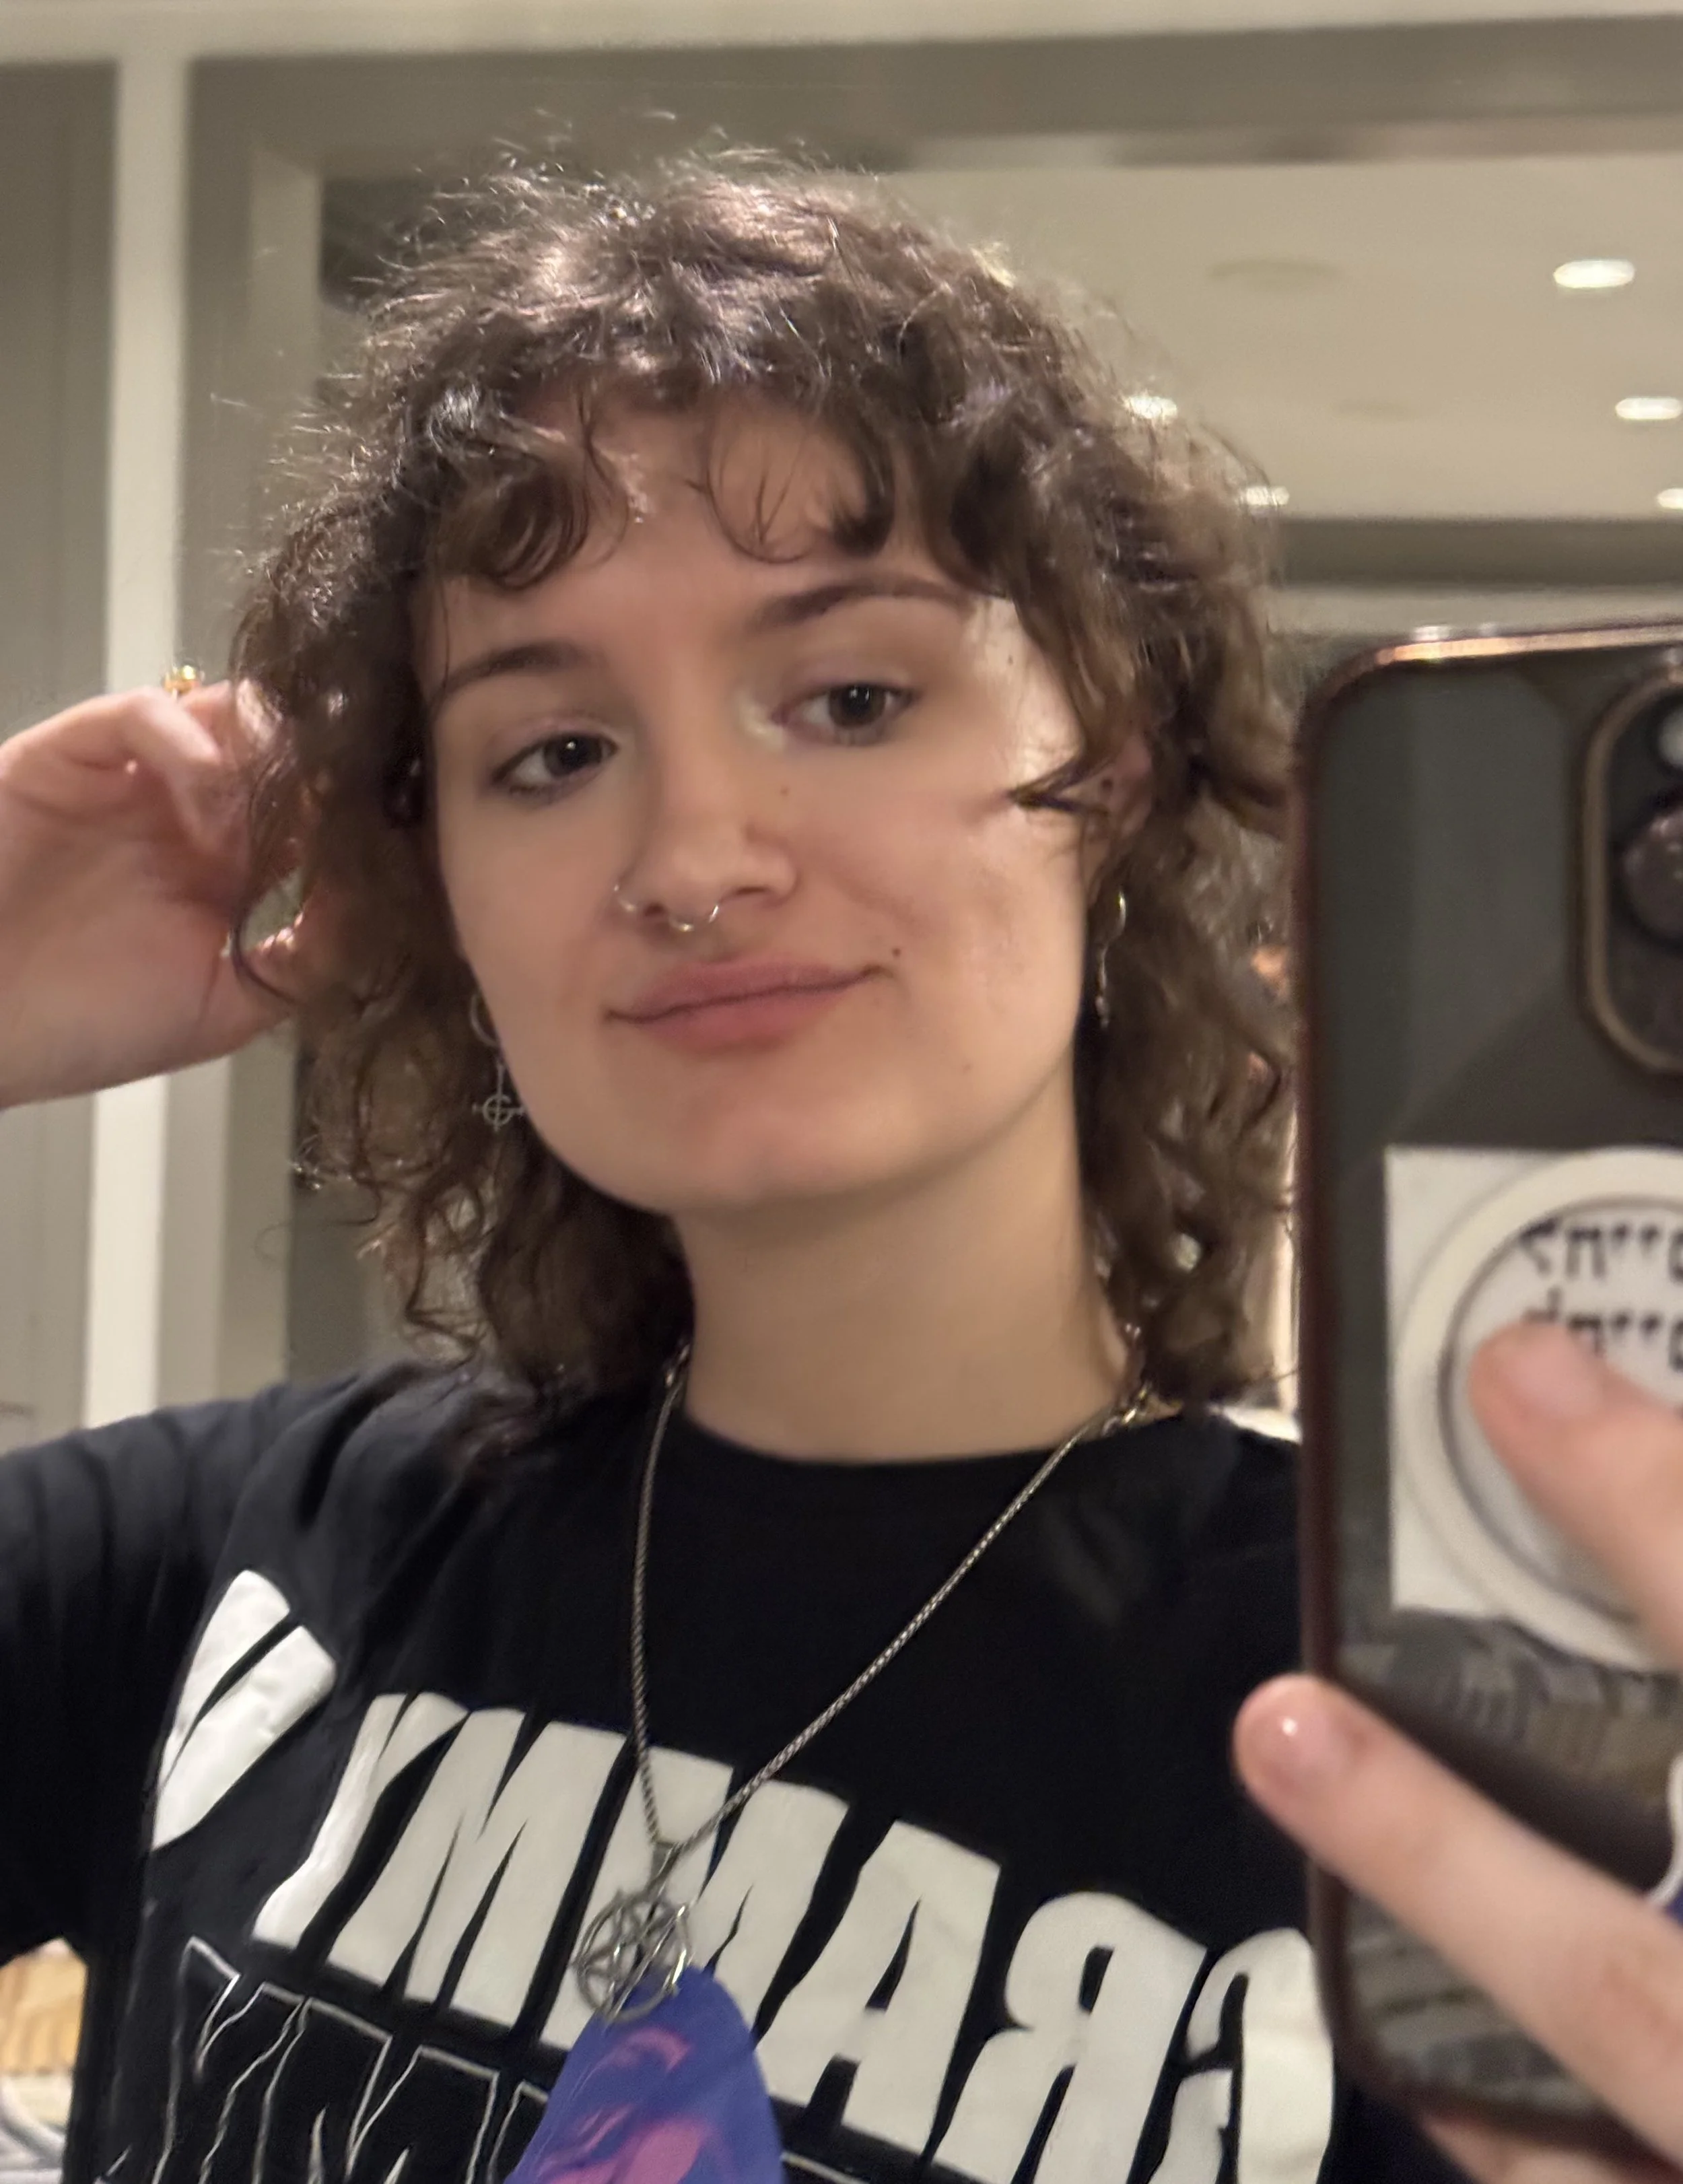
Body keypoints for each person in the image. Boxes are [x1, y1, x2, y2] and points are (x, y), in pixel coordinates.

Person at [0, 158, 1656, 2184]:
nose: (696, 857)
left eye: (853, 696)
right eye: (552, 752)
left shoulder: (1425, 1723)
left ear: (1107, 767)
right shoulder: (241, 1553)